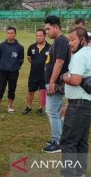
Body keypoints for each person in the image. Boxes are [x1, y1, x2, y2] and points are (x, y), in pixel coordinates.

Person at [60, 27, 91, 177]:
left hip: (78, 105)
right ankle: (80, 173)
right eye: (68, 40)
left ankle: (69, 174)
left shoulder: (79, 56)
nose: (69, 43)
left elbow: (76, 80)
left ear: (83, 40)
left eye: (72, 39)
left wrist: (64, 76)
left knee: (68, 142)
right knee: (81, 142)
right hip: (86, 104)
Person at [42, 16, 70, 153]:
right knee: (57, 111)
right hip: (53, 82)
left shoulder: (61, 41)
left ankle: (57, 141)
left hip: (56, 83)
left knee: (52, 111)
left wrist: (52, 82)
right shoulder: (58, 41)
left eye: (48, 29)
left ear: (56, 27)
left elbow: (59, 62)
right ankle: (62, 137)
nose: (46, 32)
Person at [0, 26, 24, 114]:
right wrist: (3, 65)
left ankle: (9, 106)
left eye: (12, 33)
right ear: (6, 34)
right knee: (0, 89)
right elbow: (0, 57)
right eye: (8, 33)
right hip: (3, 71)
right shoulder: (1, 45)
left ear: (15, 34)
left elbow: (21, 60)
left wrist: (15, 67)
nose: (10, 35)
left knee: (12, 89)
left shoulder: (20, 47)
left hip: (14, 72)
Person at [22, 29, 50, 116]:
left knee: (43, 91)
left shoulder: (50, 47)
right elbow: (29, 58)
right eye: (36, 35)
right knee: (31, 91)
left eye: (40, 35)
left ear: (45, 36)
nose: (38, 37)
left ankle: (40, 108)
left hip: (45, 75)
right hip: (33, 74)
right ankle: (28, 107)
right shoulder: (31, 47)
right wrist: (35, 64)